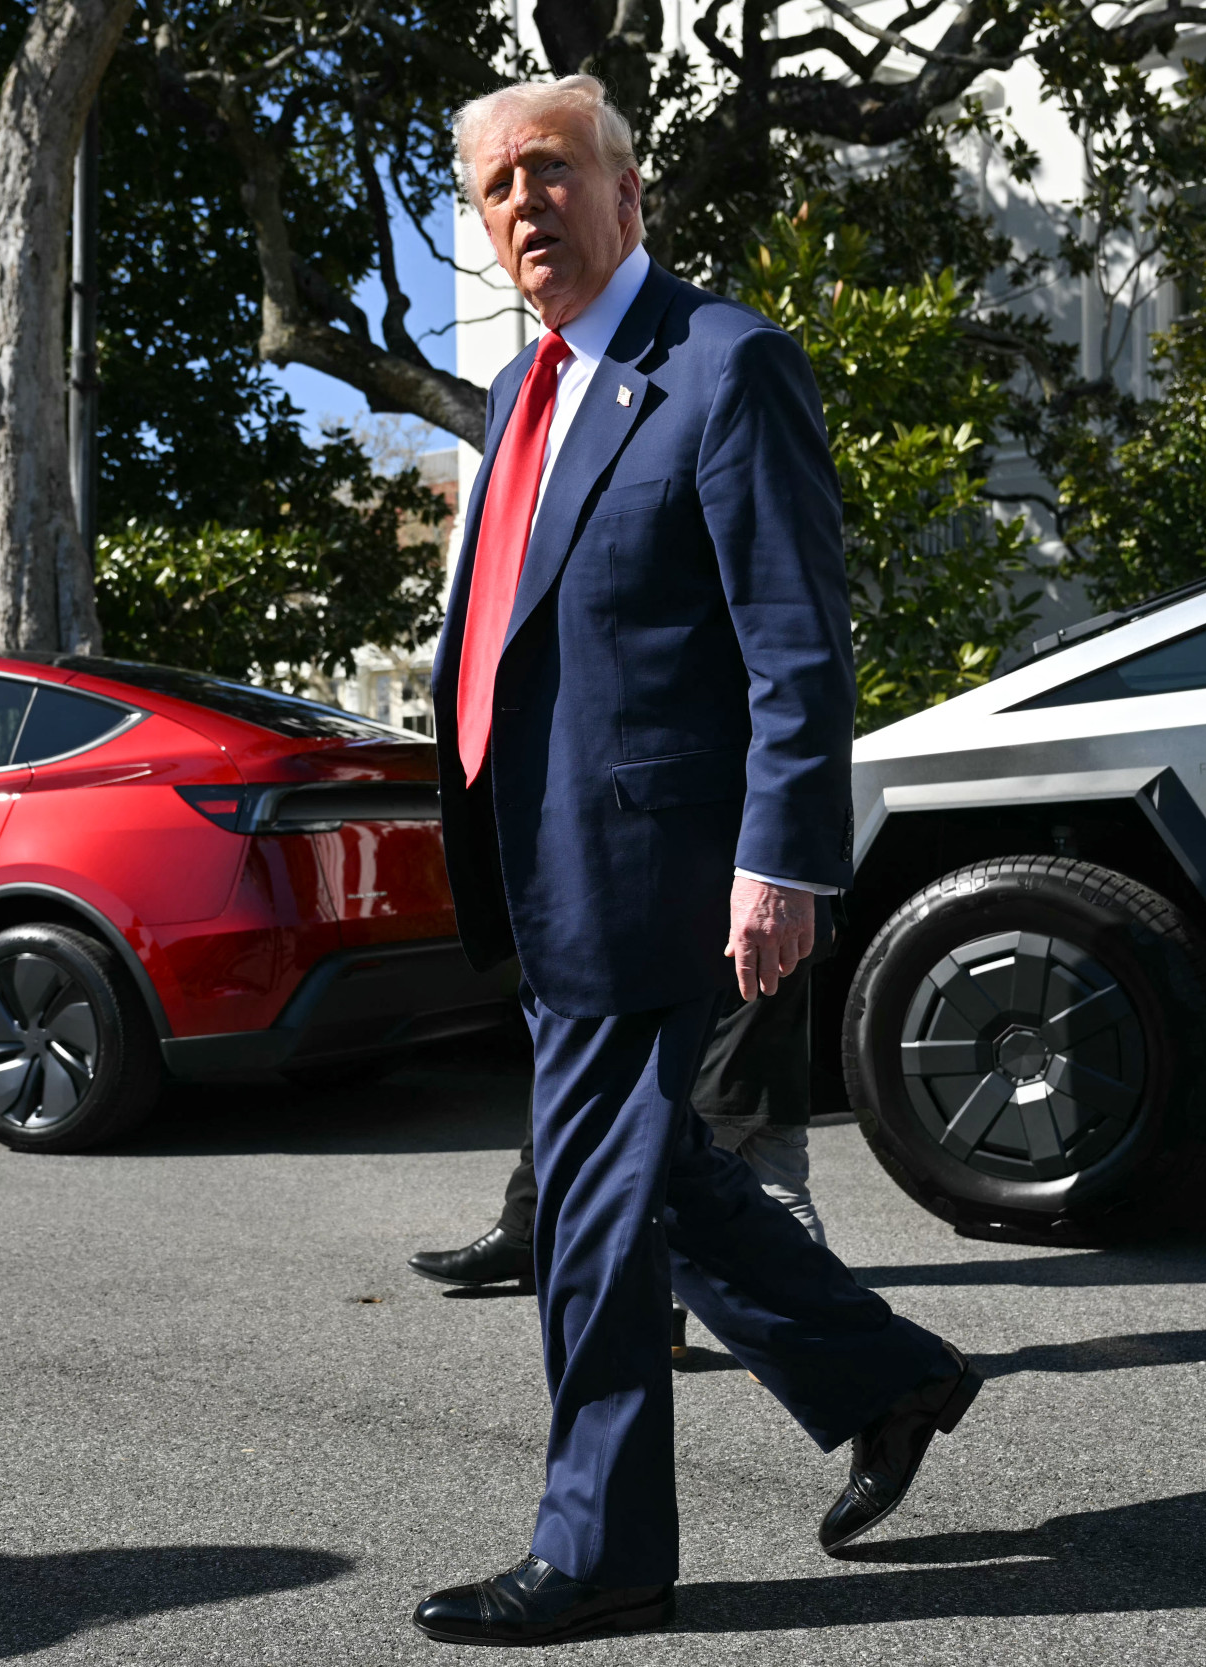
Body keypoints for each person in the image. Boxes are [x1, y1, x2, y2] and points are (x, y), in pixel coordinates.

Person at [409, 76, 982, 1649]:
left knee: (591, 1207)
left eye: (553, 170)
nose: (525, 203)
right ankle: (889, 1376)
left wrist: (782, 852)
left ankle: (601, 1546)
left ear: (628, 192)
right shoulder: (527, 396)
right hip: (544, 859)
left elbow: (796, 641)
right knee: (651, 1171)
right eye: (495, 188)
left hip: (660, 863)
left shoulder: (724, 365)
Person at [408, 956, 832, 1360]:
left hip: (711, 1083)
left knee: (674, 1204)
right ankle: (817, 1328)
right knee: (785, 1196)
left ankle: (675, 1326)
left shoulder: (721, 905)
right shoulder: (802, 908)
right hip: (780, 1089)